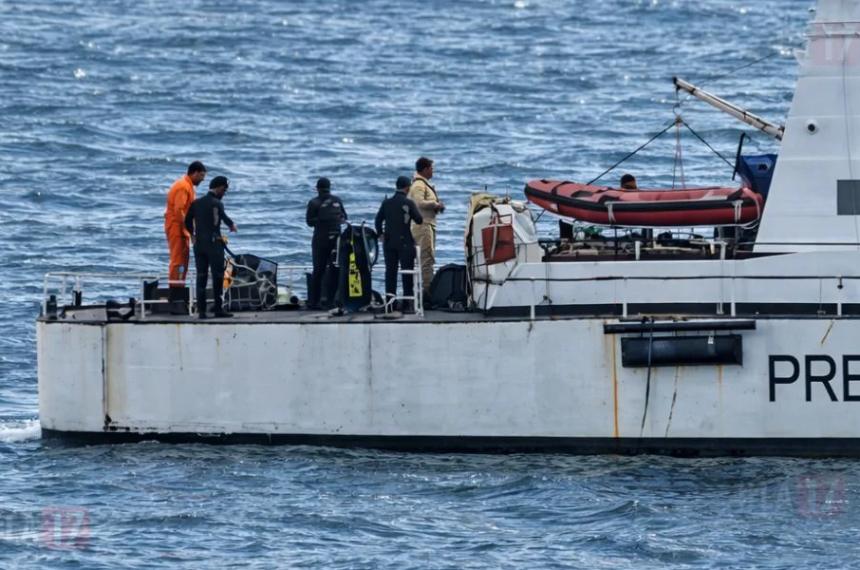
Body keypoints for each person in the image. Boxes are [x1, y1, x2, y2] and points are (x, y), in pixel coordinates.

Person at [184, 176, 237, 319]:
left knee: (201, 277)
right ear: (219, 187)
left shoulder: (196, 203)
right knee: (217, 276)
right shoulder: (216, 203)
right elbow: (223, 218)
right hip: (214, 245)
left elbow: (187, 221)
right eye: (224, 190)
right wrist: (232, 226)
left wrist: (192, 235)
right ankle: (218, 310)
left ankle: (201, 311)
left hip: (199, 245)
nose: (224, 194)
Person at [375, 176, 424, 309]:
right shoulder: (408, 203)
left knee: (390, 272)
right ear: (407, 188)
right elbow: (419, 220)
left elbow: (377, 220)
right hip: (405, 242)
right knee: (407, 272)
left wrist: (380, 234)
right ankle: (408, 302)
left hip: (389, 242)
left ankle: (390, 303)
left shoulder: (386, 203)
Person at [165, 161, 207, 297]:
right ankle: (174, 293)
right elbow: (179, 211)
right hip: (177, 228)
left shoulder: (188, 185)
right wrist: (190, 230)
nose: (203, 179)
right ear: (194, 173)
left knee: (183, 261)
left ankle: (179, 289)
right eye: (201, 175)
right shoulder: (183, 186)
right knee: (178, 261)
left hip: (181, 229)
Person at [306, 177, 347, 309]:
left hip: (320, 240)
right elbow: (345, 218)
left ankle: (314, 302)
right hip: (336, 240)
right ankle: (332, 300)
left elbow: (309, 222)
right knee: (335, 270)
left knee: (318, 271)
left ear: (317, 188)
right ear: (329, 187)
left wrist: (321, 219)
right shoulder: (337, 200)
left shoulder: (313, 202)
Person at [408, 157, 444, 297]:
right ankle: (428, 293)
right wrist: (435, 205)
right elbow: (418, 202)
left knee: (428, 258)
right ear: (425, 169)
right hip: (423, 226)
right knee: (426, 258)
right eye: (431, 168)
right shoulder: (419, 185)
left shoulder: (423, 184)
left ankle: (427, 290)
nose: (433, 171)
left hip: (427, 225)